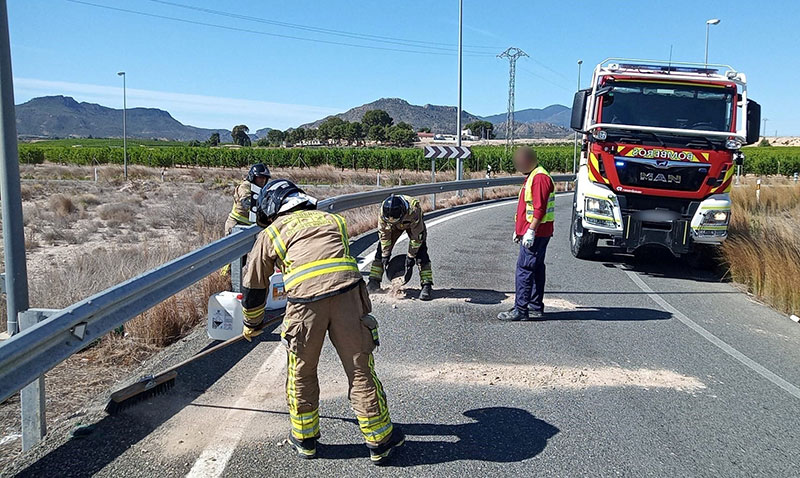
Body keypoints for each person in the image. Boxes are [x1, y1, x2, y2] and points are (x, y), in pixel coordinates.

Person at [240, 179, 404, 465]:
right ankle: (380, 442)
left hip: (305, 306)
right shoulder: (332, 220)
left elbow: (255, 284)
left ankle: (305, 441)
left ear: (274, 207)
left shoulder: (272, 233)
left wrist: (252, 323)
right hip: (349, 298)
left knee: (302, 371)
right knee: (359, 369)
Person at [498, 147, 555, 321]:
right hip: (536, 232)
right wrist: (520, 229)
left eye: (519, 162)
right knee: (536, 268)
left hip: (537, 233)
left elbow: (539, 209)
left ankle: (521, 309)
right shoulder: (534, 175)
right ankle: (534, 306)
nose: (518, 166)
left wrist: (530, 231)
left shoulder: (539, 178)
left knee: (525, 268)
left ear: (528, 161)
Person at [367, 194, 433, 301]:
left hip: (412, 224)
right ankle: (374, 281)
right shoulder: (383, 212)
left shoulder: (413, 210)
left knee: (421, 252)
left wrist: (411, 257)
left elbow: (416, 239)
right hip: (392, 227)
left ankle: (426, 285)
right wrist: (385, 255)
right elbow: (384, 235)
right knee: (380, 252)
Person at [224, 163, 271, 235]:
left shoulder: (262, 190)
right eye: (260, 177)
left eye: (265, 178)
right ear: (253, 177)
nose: (263, 181)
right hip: (237, 224)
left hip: (251, 225)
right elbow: (246, 202)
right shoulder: (245, 186)